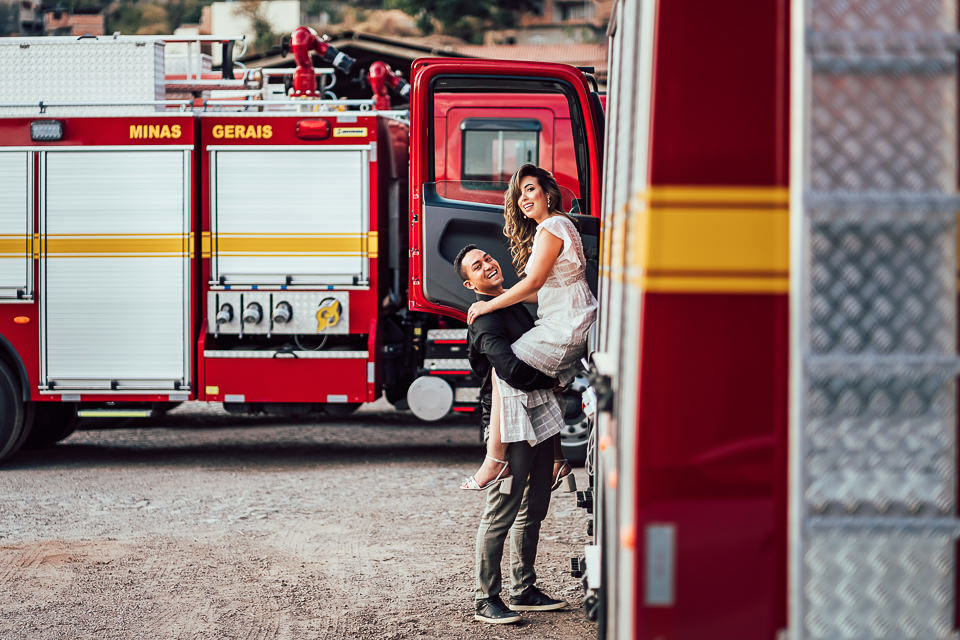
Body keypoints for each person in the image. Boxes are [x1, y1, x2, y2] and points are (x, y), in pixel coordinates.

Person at [463, 164, 598, 493]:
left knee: (506, 373)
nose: (524, 197)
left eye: (530, 189)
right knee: (532, 382)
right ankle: (555, 460)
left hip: (566, 324)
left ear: (547, 192)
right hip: (569, 316)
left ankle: (495, 461)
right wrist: (500, 302)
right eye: (519, 192)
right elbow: (542, 290)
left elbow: (534, 282)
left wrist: (487, 305)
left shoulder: (551, 226)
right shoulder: (557, 226)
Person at [454, 243, 570, 624]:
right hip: (508, 424)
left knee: (534, 506)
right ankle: (485, 598)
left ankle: (523, 589)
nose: (487, 264)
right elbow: (509, 370)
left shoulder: (510, 302)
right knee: (502, 510)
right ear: (470, 284)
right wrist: (551, 379)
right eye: (477, 265)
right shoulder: (486, 320)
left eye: (487, 258)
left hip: (535, 415)